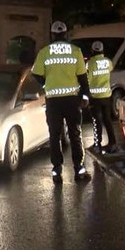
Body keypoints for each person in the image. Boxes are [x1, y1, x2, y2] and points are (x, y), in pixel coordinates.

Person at [32, 21, 92, 183]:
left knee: (55, 135)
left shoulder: (45, 52)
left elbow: (36, 74)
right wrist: (85, 96)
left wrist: (46, 84)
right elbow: (82, 77)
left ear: (52, 35)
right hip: (72, 100)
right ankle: (79, 170)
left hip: (53, 101)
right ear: (65, 34)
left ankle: (57, 171)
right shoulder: (75, 51)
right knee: (75, 134)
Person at [86, 41, 117, 154]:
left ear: (93, 51)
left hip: (95, 97)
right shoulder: (108, 62)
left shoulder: (90, 64)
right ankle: (113, 143)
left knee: (96, 121)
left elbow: (87, 78)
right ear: (102, 50)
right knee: (107, 120)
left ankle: (97, 144)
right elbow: (110, 70)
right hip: (107, 96)